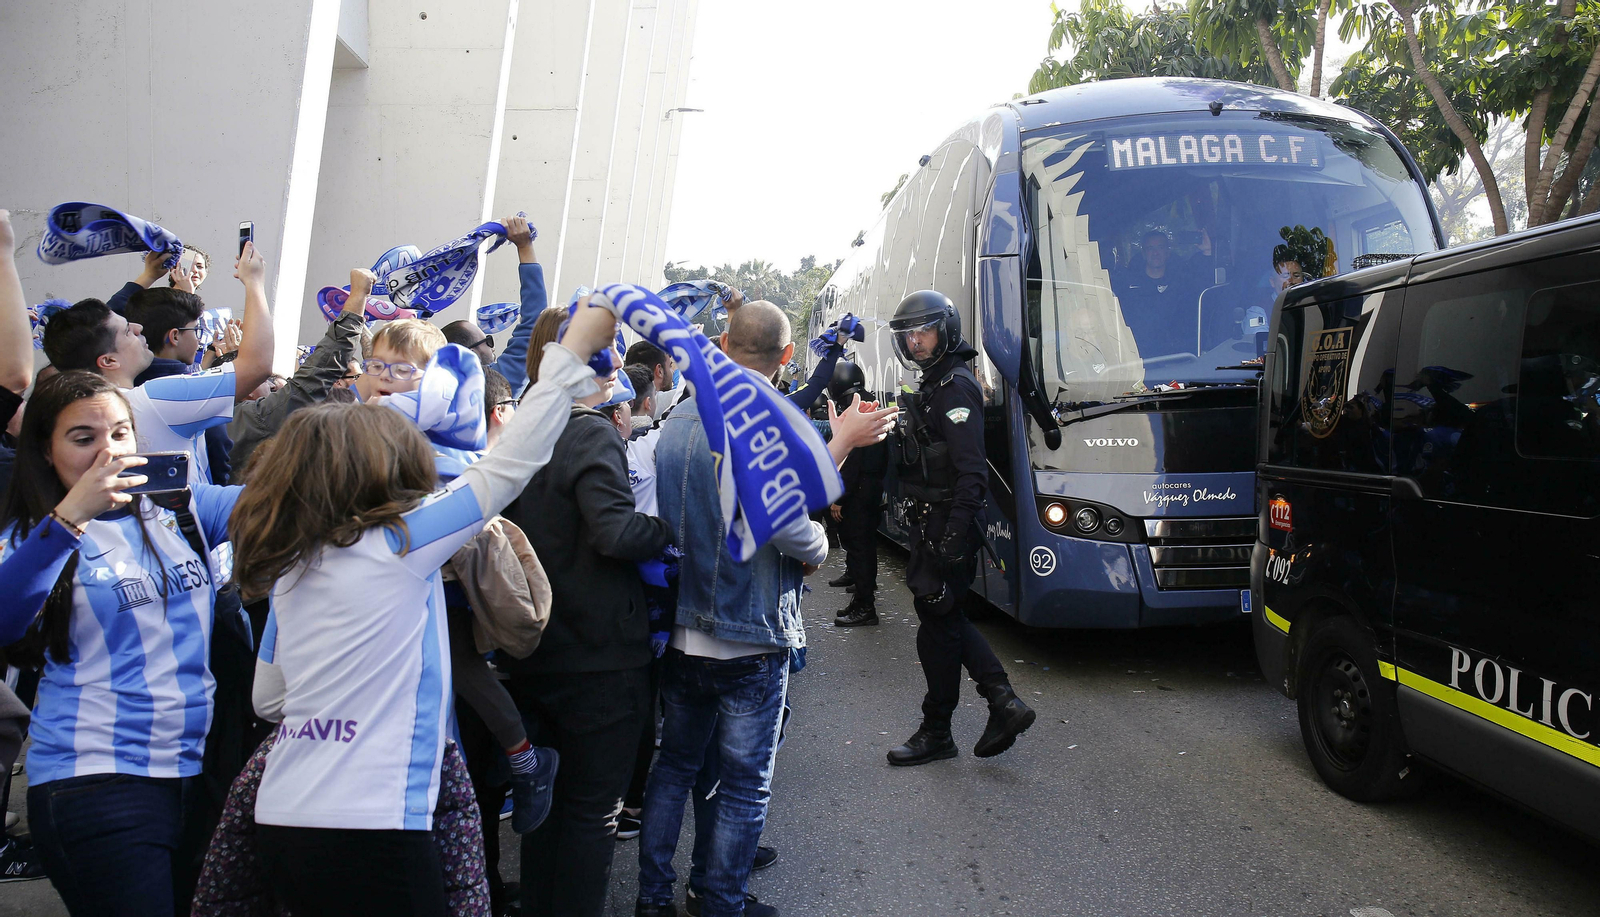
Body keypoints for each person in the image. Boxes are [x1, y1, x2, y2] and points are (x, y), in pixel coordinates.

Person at [232, 297, 620, 917]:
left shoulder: (291, 564)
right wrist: (568, 360)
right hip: (377, 814)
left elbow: (269, 700)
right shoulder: (401, 540)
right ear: (374, 470)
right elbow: (506, 468)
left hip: (282, 813)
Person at [636, 301, 896, 917]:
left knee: (673, 770)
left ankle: (652, 899)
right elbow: (791, 529)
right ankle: (720, 900)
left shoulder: (677, 420)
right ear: (786, 357)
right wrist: (820, 540)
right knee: (744, 786)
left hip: (683, 629)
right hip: (750, 636)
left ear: (724, 343)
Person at [0, 371, 243, 915]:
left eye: (120, 434)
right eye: (84, 439)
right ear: (46, 449)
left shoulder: (180, 509)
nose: (108, 452)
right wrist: (72, 517)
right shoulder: (30, 534)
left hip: (191, 773)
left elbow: (287, 501)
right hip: (94, 780)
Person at [498, 336, 674, 917]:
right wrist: (666, 530)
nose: (618, 376)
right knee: (591, 810)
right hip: (598, 653)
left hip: (534, 647)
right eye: (611, 365)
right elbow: (615, 532)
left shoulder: (523, 427)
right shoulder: (589, 430)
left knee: (547, 809)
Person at [884, 290, 1035, 766]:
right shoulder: (934, 382)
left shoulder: (955, 387)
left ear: (945, 329)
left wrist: (953, 535)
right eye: (909, 335)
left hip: (947, 523)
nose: (915, 341)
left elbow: (973, 473)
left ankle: (958, 721)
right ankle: (994, 705)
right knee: (941, 623)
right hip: (932, 522)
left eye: (924, 331)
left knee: (941, 624)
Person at [41, 242, 276, 490]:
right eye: (127, 331)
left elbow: (89, 335)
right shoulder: (154, 398)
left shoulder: (71, 408)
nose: (138, 327)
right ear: (109, 361)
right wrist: (254, 282)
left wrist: (149, 275)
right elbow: (257, 365)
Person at [227, 267, 369, 470]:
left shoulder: (197, 414)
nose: (276, 387)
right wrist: (358, 297)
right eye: (271, 386)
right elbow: (315, 376)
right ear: (248, 390)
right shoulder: (252, 419)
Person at [125, 286, 235, 485]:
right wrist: (254, 280)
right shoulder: (186, 389)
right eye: (196, 331)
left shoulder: (126, 380)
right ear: (175, 336)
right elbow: (219, 450)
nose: (199, 340)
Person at [440, 215, 544, 392]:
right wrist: (525, 247)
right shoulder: (494, 386)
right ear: (470, 355)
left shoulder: (426, 393)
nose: (493, 347)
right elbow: (534, 325)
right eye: (487, 340)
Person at [828, 359, 889, 628]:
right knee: (863, 546)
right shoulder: (870, 402)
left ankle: (865, 606)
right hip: (870, 488)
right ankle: (862, 599)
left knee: (859, 547)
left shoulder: (856, 409)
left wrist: (840, 498)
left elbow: (852, 458)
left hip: (858, 491)